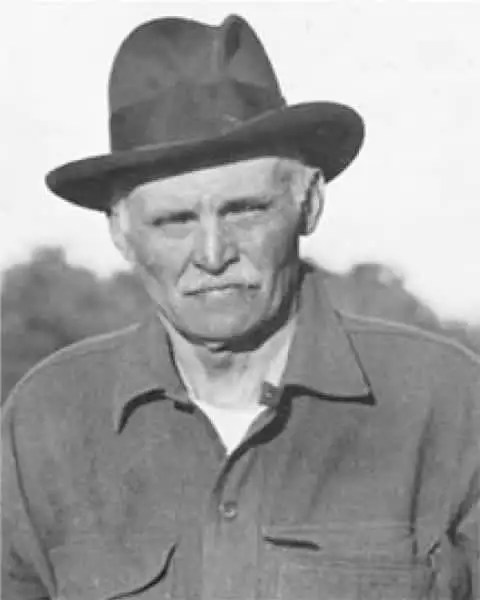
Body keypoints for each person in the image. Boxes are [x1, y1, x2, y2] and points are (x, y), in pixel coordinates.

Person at [2, 14, 478, 600]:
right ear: (121, 234)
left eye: (245, 210)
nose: (212, 254)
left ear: (309, 204)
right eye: (174, 220)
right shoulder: (47, 420)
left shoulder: (447, 403)